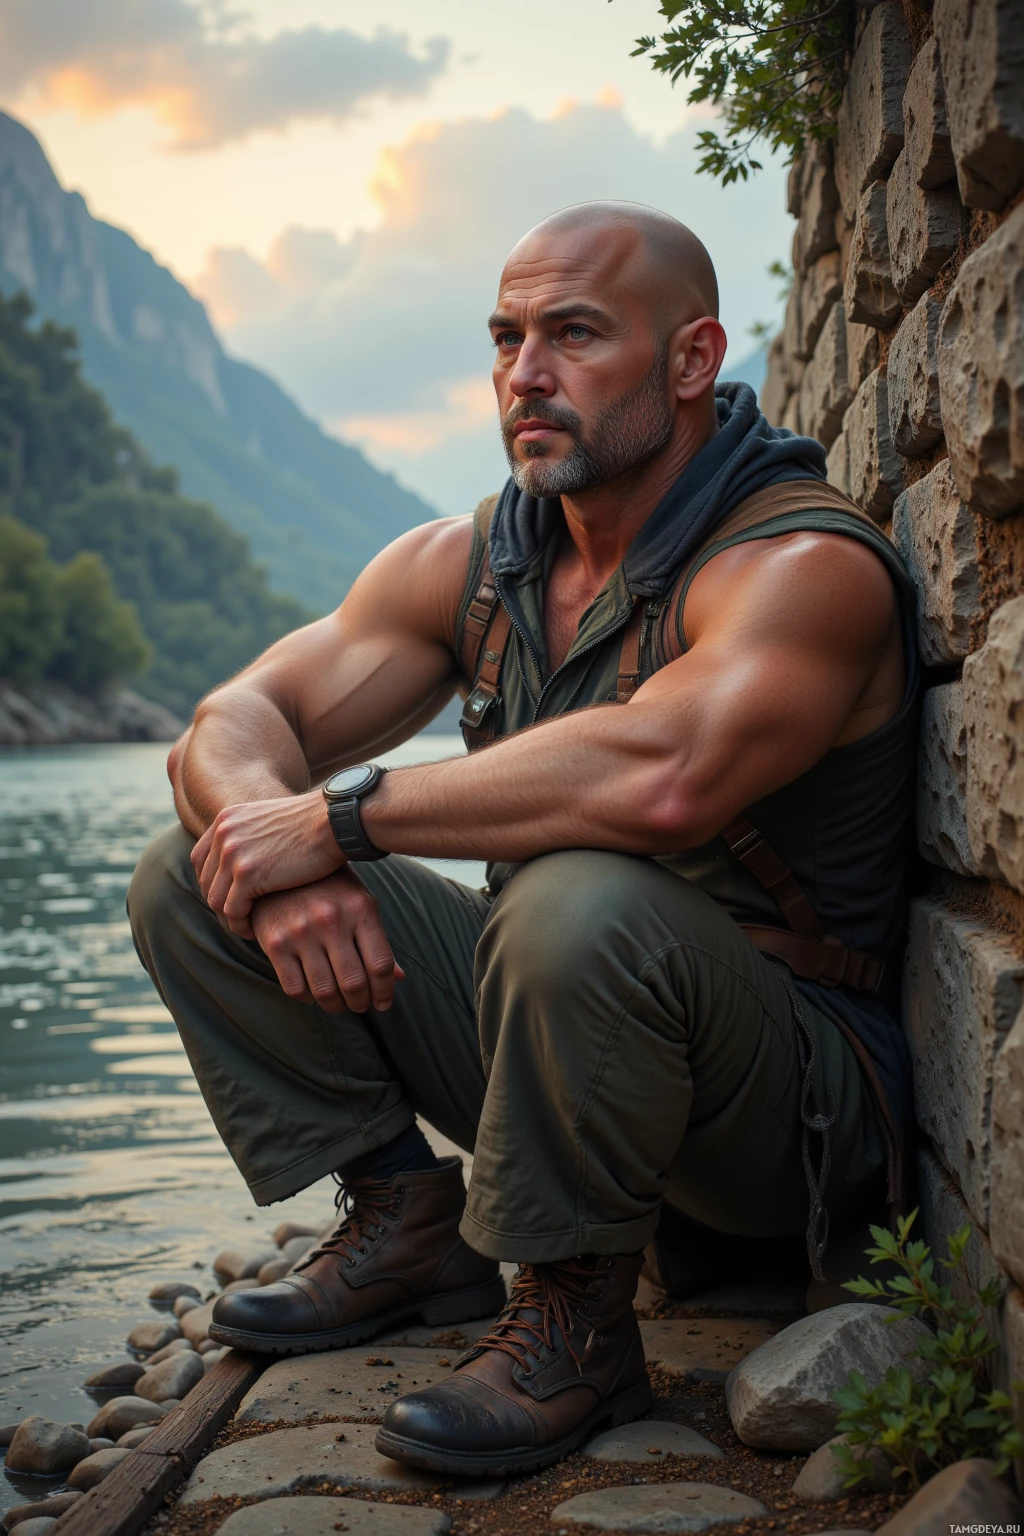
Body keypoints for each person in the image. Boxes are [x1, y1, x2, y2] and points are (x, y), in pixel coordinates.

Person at [127, 200, 918, 1479]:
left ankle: (575, 1325)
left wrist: (337, 819)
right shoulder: (476, 563)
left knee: (572, 899)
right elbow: (230, 721)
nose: (524, 374)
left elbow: (663, 775)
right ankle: (407, 1225)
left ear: (691, 360)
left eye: (574, 335)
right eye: (506, 338)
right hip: (555, 1047)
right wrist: (280, 866)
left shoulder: (797, 564)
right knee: (193, 867)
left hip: (780, 1114)